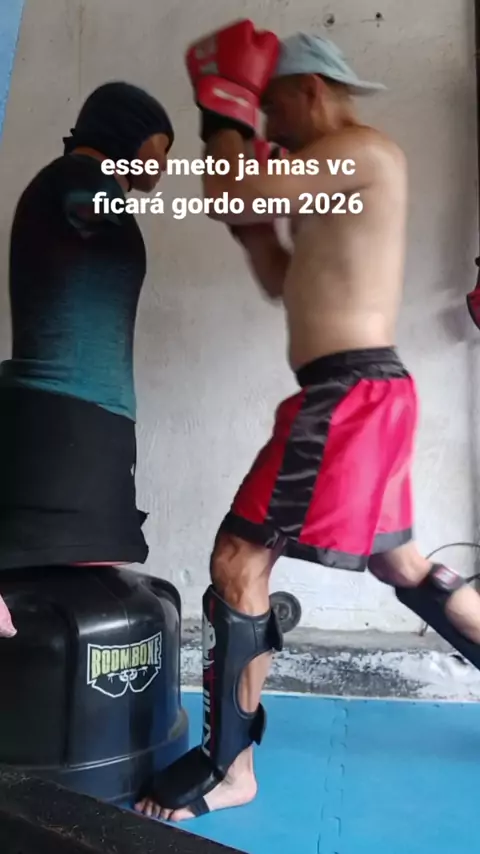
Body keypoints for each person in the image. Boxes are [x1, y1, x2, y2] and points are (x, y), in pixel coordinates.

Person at [135, 22, 480, 822]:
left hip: (346, 397)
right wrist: (253, 228)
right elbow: (281, 278)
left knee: (238, 559)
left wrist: (220, 110)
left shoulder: (361, 150)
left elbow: (231, 190)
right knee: (404, 567)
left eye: (272, 107)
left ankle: (230, 769)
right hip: (365, 392)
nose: (269, 126)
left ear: (309, 90)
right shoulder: (337, 174)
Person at [0, 81, 174, 637]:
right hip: (61, 416)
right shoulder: (76, 178)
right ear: (128, 135)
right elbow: (87, 211)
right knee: (42, 595)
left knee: (84, 584)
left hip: (89, 419)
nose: (164, 164)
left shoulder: (87, 186)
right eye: (161, 146)